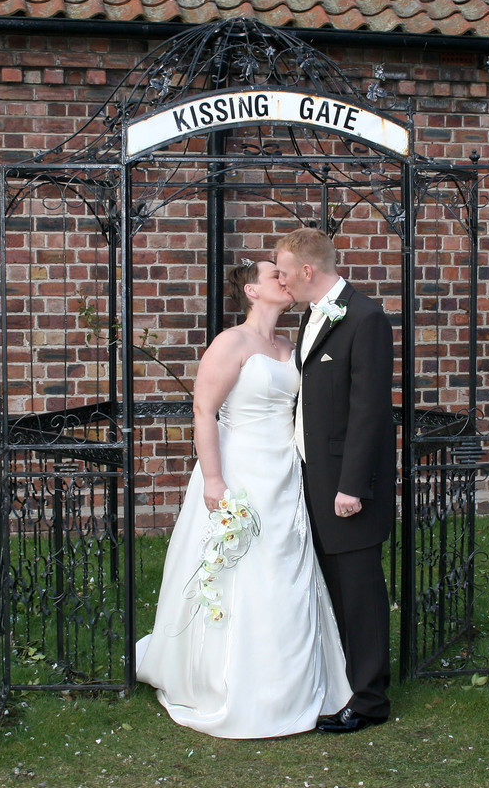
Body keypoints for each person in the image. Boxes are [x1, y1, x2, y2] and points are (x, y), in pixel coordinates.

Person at [136, 258, 352, 738]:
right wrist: (214, 480)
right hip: (239, 471)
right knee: (240, 571)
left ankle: (292, 683)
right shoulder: (230, 343)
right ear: (252, 291)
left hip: (283, 473)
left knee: (284, 569)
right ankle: (225, 680)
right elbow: (203, 410)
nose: (285, 279)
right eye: (275, 274)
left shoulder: (290, 346)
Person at [274, 227, 396, 734]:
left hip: (347, 485)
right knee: (336, 590)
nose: (280, 280)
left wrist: (352, 487)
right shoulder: (310, 316)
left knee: (359, 592)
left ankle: (369, 701)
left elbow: (369, 412)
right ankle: (345, 682)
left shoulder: (365, 319)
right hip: (312, 475)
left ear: (308, 270)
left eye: (284, 272)